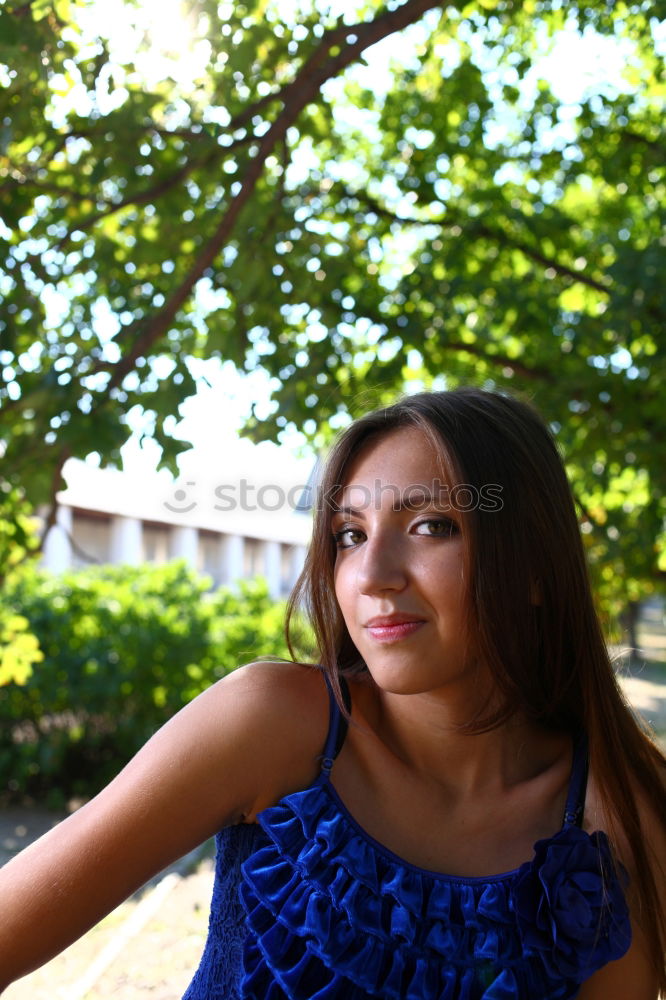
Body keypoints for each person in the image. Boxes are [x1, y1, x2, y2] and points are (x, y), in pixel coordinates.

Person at [0, 387, 665, 999]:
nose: (371, 575)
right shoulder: (273, 724)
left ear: (535, 568)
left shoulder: (623, 816)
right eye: (350, 535)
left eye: (432, 525)